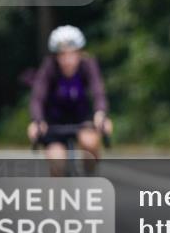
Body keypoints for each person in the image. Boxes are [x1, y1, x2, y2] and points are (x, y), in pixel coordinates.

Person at [27, 25, 113, 176]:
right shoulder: (49, 68)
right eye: (62, 54)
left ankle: (89, 175)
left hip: (82, 119)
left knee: (90, 143)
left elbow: (98, 92)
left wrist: (101, 113)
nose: (67, 60)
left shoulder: (88, 65)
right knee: (57, 161)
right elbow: (37, 98)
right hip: (54, 124)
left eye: (72, 53)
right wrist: (37, 120)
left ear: (80, 53)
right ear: (56, 56)